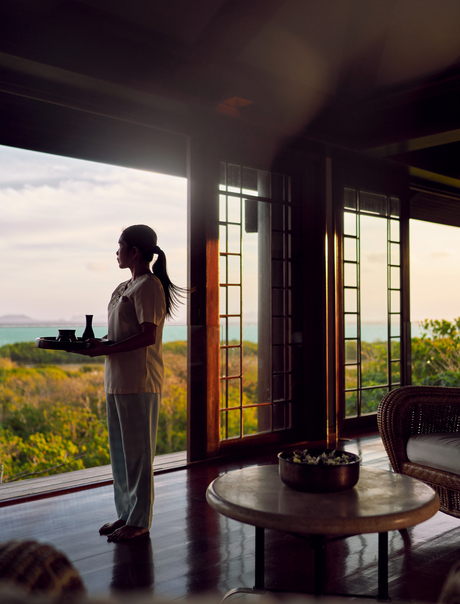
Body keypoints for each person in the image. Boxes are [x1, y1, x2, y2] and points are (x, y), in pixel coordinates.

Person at [72, 224, 184, 542]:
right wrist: (96, 346)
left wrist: (106, 349)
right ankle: (125, 514)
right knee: (120, 454)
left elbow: (148, 335)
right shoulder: (123, 286)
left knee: (138, 455)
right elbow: (120, 334)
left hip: (140, 380)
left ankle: (140, 520)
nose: (116, 251)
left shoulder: (149, 286)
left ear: (134, 252)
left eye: (120, 245)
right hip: (116, 380)